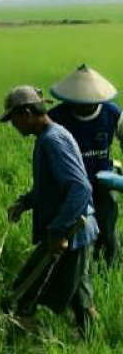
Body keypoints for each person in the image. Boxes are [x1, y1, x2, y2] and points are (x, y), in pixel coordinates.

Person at [0, 86, 99, 336]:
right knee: (79, 292)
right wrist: (25, 203)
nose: (13, 125)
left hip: (72, 229)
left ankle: (32, 338)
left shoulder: (52, 141)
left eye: (13, 119)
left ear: (27, 113)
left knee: (26, 289)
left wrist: (57, 231)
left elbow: (80, 188)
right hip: (76, 227)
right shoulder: (52, 136)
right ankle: (89, 337)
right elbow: (52, 187)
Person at [48, 64, 121, 266]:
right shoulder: (57, 117)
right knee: (76, 232)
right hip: (72, 185)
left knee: (107, 227)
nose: (83, 106)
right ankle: (78, 267)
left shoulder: (112, 113)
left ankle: (110, 265)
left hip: (103, 180)